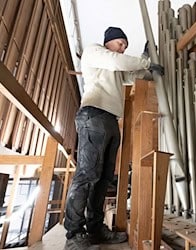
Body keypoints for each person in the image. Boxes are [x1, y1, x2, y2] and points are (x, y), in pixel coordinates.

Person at [64, 27, 164, 250]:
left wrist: (150, 60)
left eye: (125, 46)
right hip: (93, 114)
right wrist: (144, 61)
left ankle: (95, 229)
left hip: (110, 120)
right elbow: (119, 62)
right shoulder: (94, 51)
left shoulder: (116, 68)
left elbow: (136, 74)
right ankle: (74, 234)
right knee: (87, 175)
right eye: (121, 43)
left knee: (103, 179)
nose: (123, 48)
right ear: (109, 42)